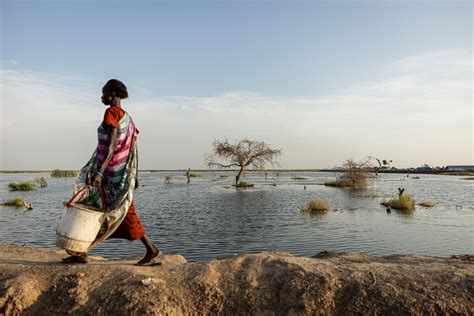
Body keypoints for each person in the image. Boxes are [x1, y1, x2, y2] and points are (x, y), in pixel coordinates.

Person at [62, 79, 159, 265]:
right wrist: (134, 175)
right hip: (122, 175)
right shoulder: (128, 119)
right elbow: (131, 150)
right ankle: (81, 251)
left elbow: (112, 147)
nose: (101, 97)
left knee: (103, 210)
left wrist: (99, 173)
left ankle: (151, 249)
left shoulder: (112, 113)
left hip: (110, 176)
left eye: (104, 93)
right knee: (104, 210)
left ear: (113, 94)